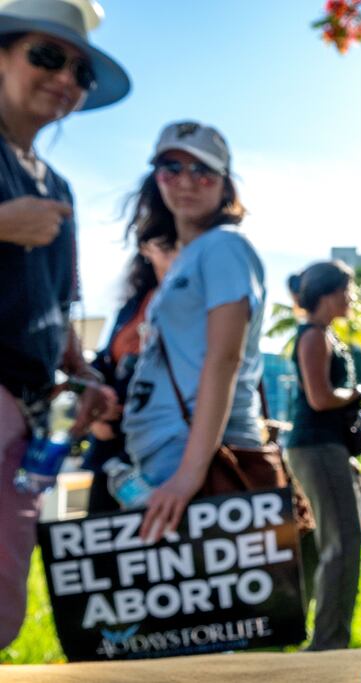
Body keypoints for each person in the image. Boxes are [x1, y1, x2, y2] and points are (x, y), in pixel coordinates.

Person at [0, 0, 128, 648]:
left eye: (81, 71)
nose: (66, 79)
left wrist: (83, 374)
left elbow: (56, 302)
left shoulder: (58, 186)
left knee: (3, 593)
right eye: (46, 56)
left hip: (30, 414)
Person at [119, 121, 266, 544]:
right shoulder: (189, 257)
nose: (186, 181)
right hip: (172, 455)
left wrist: (188, 474)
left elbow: (225, 358)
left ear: (224, 185)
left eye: (202, 170)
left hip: (200, 460)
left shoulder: (224, 245)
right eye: (171, 168)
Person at [285, 260, 361, 651]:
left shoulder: (323, 334)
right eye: (345, 290)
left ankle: (323, 635)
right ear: (328, 294)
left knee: (332, 541)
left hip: (327, 448)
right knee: (342, 543)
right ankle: (327, 644)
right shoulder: (312, 337)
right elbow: (319, 397)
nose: (350, 297)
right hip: (315, 447)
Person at [86, 230, 177, 513]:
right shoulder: (132, 305)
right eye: (165, 242)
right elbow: (104, 363)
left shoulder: (191, 302)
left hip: (164, 443)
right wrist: (95, 407)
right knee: (102, 536)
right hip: (112, 446)